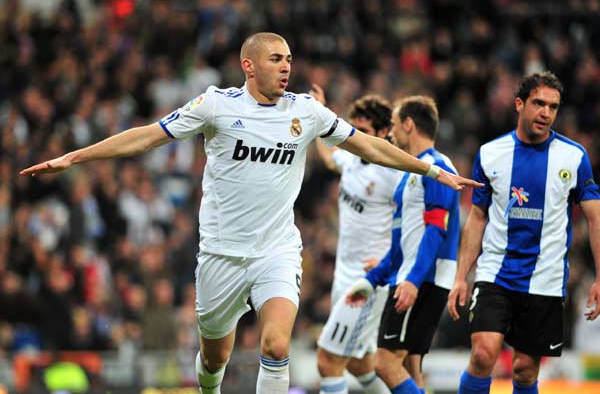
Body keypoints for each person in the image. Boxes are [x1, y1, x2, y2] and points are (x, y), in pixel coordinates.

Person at [20, 32, 481, 394]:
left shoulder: (307, 112)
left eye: (289, 60)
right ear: (249, 65)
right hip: (221, 254)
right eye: (276, 59)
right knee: (215, 358)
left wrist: (430, 170)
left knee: (276, 344)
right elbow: (146, 136)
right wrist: (73, 158)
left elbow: (368, 145)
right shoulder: (216, 105)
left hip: (276, 251)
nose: (286, 67)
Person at [447, 71, 600, 394]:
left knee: (525, 370)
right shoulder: (490, 154)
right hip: (495, 274)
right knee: (483, 353)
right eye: (539, 103)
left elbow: (595, 218)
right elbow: (477, 217)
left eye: (553, 107)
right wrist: (461, 276)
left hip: (545, 278)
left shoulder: (574, 157)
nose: (546, 113)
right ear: (519, 104)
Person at [346, 96, 461, 394]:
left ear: (409, 124)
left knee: (384, 362)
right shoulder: (410, 174)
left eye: (395, 125)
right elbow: (400, 246)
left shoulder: (439, 167)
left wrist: (412, 280)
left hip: (423, 279)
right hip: (412, 277)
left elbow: (436, 231)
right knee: (410, 365)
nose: (392, 133)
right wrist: (371, 281)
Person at [311, 87, 400, 394]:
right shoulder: (351, 160)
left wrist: (391, 263)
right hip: (343, 275)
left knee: (328, 361)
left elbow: (417, 226)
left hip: (368, 281)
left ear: (384, 132)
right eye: (354, 131)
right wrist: (320, 115)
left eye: (363, 131)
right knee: (358, 364)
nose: (355, 138)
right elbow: (329, 157)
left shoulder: (394, 172)